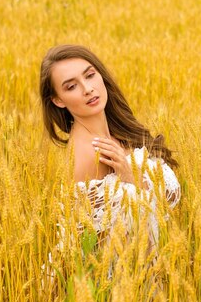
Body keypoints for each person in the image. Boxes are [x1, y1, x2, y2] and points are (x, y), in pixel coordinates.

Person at [39, 44, 181, 251]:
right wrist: (133, 179)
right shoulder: (89, 156)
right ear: (58, 100)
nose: (88, 89)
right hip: (126, 278)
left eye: (89, 75)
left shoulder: (118, 133)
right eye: (71, 86)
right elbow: (89, 248)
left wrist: (132, 177)